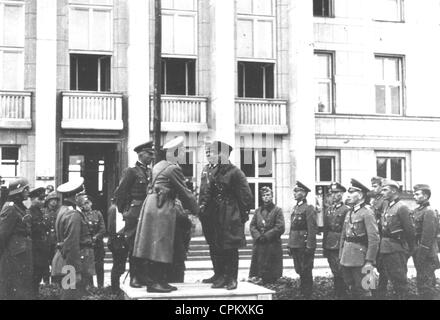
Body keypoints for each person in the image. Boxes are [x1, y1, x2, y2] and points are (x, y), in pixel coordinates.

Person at [133, 136, 199, 293]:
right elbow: (185, 193)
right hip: (162, 208)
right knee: (161, 244)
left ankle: (159, 281)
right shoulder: (173, 168)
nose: (183, 154)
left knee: (154, 245)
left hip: (152, 206)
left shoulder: (158, 165)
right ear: (174, 153)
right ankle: (156, 283)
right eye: (181, 151)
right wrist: (198, 211)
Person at [199, 141, 253, 291]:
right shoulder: (214, 171)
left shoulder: (235, 172)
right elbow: (206, 192)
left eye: (216, 152)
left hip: (230, 214)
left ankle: (231, 278)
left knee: (229, 246)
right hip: (214, 214)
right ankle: (220, 275)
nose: (212, 155)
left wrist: (241, 215)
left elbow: (246, 196)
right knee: (216, 245)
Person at [114, 141, 155, 288]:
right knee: (134, 244)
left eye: (152, 154)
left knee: (146, 244)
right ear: (141, 154)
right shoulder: (131, 171)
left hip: (148, 212)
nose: (152, 156)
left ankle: (144, 276)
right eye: (149, 154)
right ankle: (134, 277)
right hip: (135, 213)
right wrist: (126, 212)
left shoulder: (150, 172)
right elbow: (119, 194)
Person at [51, 177, 95, 300]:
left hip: (66, 260)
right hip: (71, 263)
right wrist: (75, 270)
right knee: (70, 295)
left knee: (69, 294)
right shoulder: (73, 214)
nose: (84, 198)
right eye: (83, 195)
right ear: (76, 196)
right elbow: (71, 243)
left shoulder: (63, 210)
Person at [339, 179, 380, 299]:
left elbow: (374, 239)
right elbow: (344, 236)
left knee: (364, 290)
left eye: (352, 192)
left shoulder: (367, 213)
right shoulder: (350, 212)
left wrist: (369, 261)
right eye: (349, 192)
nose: (348, 195)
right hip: (347, 257)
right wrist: (341, 255)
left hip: (361, 258)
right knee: (352, 288)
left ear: (361, 195)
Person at [376, 179, 415, 299]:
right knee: (383, 276)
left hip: (396, 248)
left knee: (399, 280)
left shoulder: (402, 207)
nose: (382, 192)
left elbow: (409, 231)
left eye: (385, 190)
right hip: (384, 247)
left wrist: (409, 250)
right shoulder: (387, 206)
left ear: (394, 191)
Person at [0, 177, 34, 300]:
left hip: (21, 255)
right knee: (14, 289)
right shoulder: (10, 208)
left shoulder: (19, 207)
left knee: (22, 288)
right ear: (18, 191)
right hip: (13, 257)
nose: (28, 192)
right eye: (26, 189)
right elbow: (2, 234)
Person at [287, 181, 317, 298]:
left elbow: (312, 229)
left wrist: (310, 246)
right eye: (294, 191)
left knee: (306, 270)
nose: (294, 193)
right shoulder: (295, 208)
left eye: (297, 191)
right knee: (299, 269)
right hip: (295, 243)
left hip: (303, 244)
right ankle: (302, 291)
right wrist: (289, 244)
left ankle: (307, 293)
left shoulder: (309, 208)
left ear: (304, 193)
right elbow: (292, 228)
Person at [249, 186, 285, 284]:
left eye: (268, 195)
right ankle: (259, 277)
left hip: (272, 243)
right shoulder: (258, 211)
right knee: (259, 262)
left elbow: (280, 227)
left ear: (272, 196)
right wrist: (258, 236)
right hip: (259, 243)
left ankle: (272, 280)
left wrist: (267, 236)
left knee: (272, 265)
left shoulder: (277, 210)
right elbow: (252, 225)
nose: (266, 197)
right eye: (264, 195)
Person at [198, 141, 221, 284]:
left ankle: (222, 274)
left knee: (219, 245)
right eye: (206, 152)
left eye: (210, 152)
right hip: (206, 214)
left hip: (217, 213)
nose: (208, 155)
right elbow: (203, 191)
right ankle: (216, 273)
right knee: (212, 245)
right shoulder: (205, 169)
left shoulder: (222, 169)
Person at [412, 184, 440, 299]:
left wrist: (421, 254)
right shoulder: (417, 211)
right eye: (414, 194)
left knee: (426, 286)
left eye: (417, 194)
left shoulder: (429, 211)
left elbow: (428, 236)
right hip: (419, 251)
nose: (414, 196)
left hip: (426, 253)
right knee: (422, 282)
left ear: (426, 196)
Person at [323, 182, 349, 299]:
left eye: (336, 193)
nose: (334, 195)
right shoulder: (329, 209)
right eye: (332, 193)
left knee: (341, 272)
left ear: (342, 193)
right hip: (330, 243)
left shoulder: (346, 209)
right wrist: (324, 246)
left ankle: (343, 294)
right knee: (335, 271)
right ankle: (337, 293)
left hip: (340, 243)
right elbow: (326, 229)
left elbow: (346, 229)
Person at [77, 194, 106, 288]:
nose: (86, 205)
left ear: (91, 203)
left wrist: (96, 237)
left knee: (99, 266)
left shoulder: (97, 214)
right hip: (87, 246)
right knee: (88, 267)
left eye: (88, 203)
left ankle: (100, 287)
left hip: (97, 245)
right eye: (84, 203)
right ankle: (90, 287)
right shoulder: (80, 215)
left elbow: (102, 229)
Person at [29, 187, 51, 295]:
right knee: (34, 279)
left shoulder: (39, 211)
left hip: (41, 250)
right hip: (35, 251)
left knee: (38, 278)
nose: (42, 202)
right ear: (32, 199)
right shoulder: (30, 212)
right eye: (40, 199)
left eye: (43, 199)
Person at [107, 197, 128, 295]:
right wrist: (116, 241)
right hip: (117, 241)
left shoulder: (118, 208)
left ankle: (116, 288)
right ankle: (115, 289)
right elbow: (111, 227)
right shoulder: (114, 209)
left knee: (120, 266)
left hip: (121, 241)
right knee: (117, 266)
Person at [42, 191, 60, 283]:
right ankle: (46, 283)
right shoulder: (43, 211)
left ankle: (54, 284)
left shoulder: (59, 212)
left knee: (55, 262)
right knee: (45, 263)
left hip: (56, 241)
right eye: (52, 200)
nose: (54, 202)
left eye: (55, 200)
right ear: (48, 201)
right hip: (46, 240)